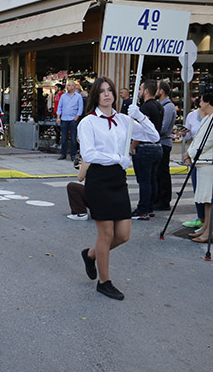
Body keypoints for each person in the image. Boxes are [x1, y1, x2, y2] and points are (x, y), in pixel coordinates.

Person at [78, 76, 159, 300]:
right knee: (105, 234)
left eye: (110, 90)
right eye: (102, 91)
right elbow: (89, 154)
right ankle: (104, 282)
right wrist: (117, 158)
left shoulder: (124, 120)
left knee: (123, 235)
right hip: (99, 180)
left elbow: (153, 136)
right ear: (95, 95)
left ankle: (90, 254)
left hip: (118, 180)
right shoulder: (88, 122)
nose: (107, 94)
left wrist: (140, 116)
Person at [130, 80, 164, 220]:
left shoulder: (145, 107)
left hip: (145, 147)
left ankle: (143, 209)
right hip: (157, 147)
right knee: (151, 180)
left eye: (140, 89)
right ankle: (149, 207)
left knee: (144, 181)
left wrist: (133, 146)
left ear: (146, 91)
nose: (138, 92)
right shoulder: (159, 105)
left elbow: (142, 129)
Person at [184, 92, 213, 243]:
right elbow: (197, 140)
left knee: (209, 198)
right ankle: (206, 228)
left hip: (209, 162)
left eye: (201, 100)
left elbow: (207, 142)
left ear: (208, 102)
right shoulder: (208, 118)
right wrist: (189, 153)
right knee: (206, 199)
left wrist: (190, 153)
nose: (199, 102)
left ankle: (209, 231)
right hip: (203, 162)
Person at [180, 99, 206, 228]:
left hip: (206, 157)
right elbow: (189, 136)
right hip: (195, 155)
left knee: (207, 191)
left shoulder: (210, 117)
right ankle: (201, 217)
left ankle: (208, 223)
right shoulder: (192, 116)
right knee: (197, 188)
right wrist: (184, 133)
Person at [153, 81, 176, 211]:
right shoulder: (161, 105)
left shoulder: (168, 107)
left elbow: (163, 127)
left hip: (164, 143)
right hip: (159, 143)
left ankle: (164, 200)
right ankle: (158, 198)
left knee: (162, 173)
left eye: (156, 89)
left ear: (161, 91)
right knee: (158, 173)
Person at [56, 81, 83, 161]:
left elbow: (80, 107)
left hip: (73, 119)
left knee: (73, 138)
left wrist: (77, 117)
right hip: (64, 119)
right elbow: (59, 106)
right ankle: (63, 154)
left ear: (73, 87)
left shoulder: (78, 96)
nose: (67, 86)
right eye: (67, 85)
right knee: (63, 138)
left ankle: (73, 155)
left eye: (69, 85)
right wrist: (58, 117)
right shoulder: (63, 96)